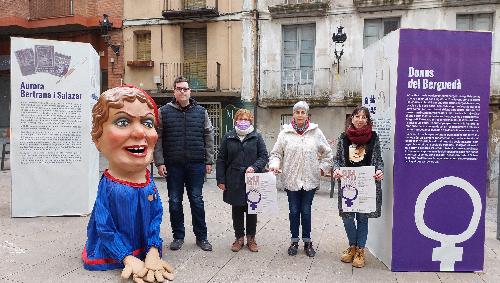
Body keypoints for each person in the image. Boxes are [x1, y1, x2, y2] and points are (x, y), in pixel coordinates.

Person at [82, 86, 174, 282]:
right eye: (122, 122)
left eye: (148, 122)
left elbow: (154, 218)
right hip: (110, 250)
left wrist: (153, 249)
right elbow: (104, 225)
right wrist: (126, 257)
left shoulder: (149, 183)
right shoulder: (110, 186)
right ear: (97, 138)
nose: (140, 132)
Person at [154, 76, 215, 252]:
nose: (182, 91)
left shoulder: (201, 112)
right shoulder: (163, 111)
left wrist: (208, 160)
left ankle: (202, 237)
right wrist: (160, 162)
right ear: (174, 91)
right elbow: (158, 139)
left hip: (196, 164)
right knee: (174, 201)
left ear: (190, 91)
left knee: (197, 200)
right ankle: (178, 236)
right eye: (179, 88)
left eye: (185, 88)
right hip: (173, 165)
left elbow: (208, 136)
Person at [269, 101, 332, 257]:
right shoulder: (285, 133)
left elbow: (328, 153)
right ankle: (294, 241)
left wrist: (322, 169)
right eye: (297, 112)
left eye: (303, 112)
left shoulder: (316, 132)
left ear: (307, 115)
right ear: (293, 114)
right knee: (293, 211)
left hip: (310, 179)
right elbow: (276, 153)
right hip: (291, 179)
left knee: (306, 211)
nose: (300, 115)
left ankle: (308, 242)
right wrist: (275, 164)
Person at [333, 106, 384, 268]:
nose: (360, 119)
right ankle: (352, 246)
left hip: (367, 184)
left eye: (364, 117)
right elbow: (337, 160)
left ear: (368, 120)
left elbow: (378, 161)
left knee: (362, 218)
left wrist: (379, 171)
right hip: (348, 184)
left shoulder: (374, 138)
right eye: (357, 116)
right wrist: (337, 170)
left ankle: (360, 250)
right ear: (352, 118)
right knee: (347, 217)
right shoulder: (343, 138)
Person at [216, 109, 269, 252]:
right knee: (237, 209)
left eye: (246, 119)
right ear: (236, 120)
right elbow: (221, 159)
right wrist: (220, 179)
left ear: (250, 121)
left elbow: (264, 156)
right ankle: (239, 238)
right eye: (241, 119)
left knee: (252, 209)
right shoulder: (228, 137)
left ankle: (251, 238)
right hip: (233, 178)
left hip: (252, 178)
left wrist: (254, 166)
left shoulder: (256, 136)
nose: (243, 122)